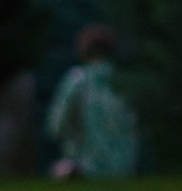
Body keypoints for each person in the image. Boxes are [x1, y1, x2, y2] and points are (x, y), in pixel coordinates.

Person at [47, 26, 139, 179]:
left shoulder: (77, 80)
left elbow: (57, 126)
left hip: (84, 168)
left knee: (59, 170)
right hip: (124, 168)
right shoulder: (126, 82)